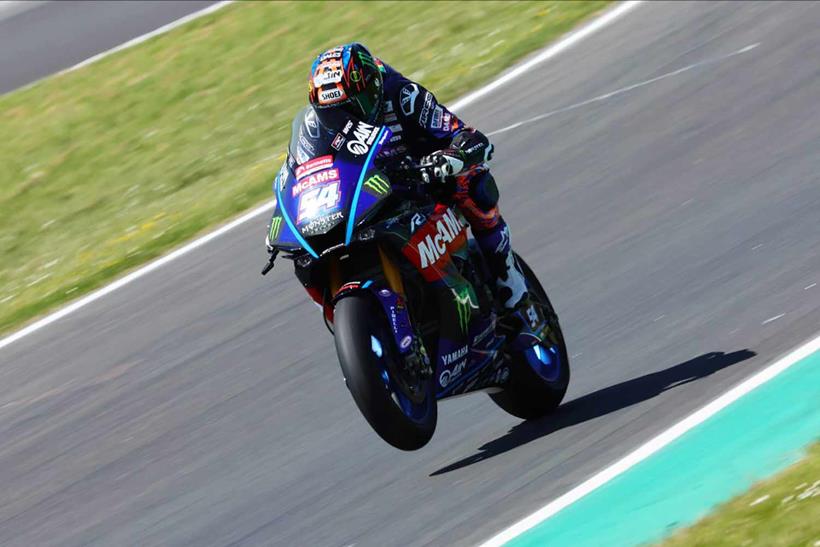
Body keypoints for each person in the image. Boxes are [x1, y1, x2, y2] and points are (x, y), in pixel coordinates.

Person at [279, 42, 531, 316]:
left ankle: (509, 281)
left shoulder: (402, 96)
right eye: (332, 113)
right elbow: (299, 172)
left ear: (372, 89)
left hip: (421, 180)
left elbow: (469, 138)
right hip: (369, 196)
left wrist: (445, 160)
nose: (343, 120)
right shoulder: (314, 127)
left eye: (352, 108)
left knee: (474, 184)